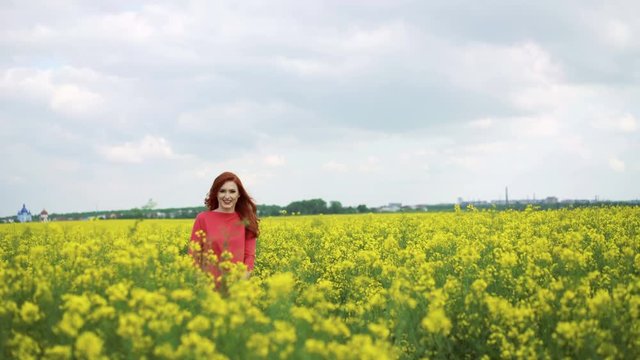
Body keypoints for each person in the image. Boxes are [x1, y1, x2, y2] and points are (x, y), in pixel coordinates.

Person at [189, 171, 258, 289]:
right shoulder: (203, 218)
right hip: (208, 289)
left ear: (239, 194)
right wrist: (203, 286)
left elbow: (249, 257)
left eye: (232, 191)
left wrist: (238, 286)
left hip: (237, 288)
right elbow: (194, 256)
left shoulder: (247, 220)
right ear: (216, 193)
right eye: (222, 191)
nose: (227, 196)